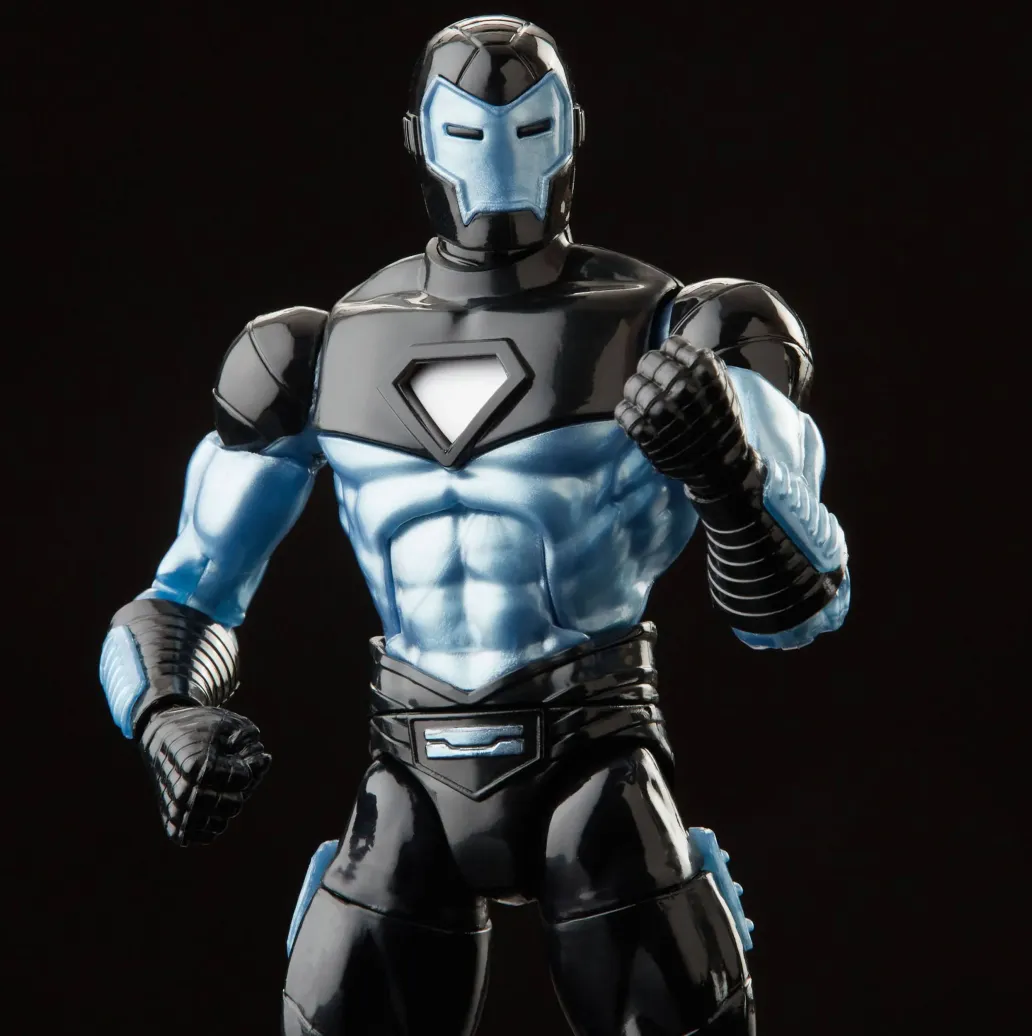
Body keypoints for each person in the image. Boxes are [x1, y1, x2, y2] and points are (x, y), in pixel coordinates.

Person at [99, 15, 850, 1036]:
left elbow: (805, 602)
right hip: (408, 778)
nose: (500, 162)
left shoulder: (677, 326)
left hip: (595, 759)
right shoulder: (318, 351)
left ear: (571, 132)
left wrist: (728, 473)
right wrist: (164, 714)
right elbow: (179, 598)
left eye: (531, 128)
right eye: (470, 132)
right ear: (420, 138)